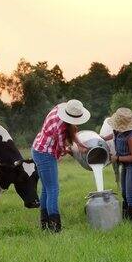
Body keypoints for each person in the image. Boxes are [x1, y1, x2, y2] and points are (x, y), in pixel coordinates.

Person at [32, 99, 90, 233]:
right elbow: (62, 148)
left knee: (46, 189)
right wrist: (74, 151)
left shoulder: (60, 108)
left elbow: (71, 130)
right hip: (44, 153)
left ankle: (44, 225)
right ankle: (55, 227)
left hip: (38, 148)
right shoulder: (59, 127)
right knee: (53, 189)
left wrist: (80, 144)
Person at [102, 108, 132, 223]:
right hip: (125, 164)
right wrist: (103, 138)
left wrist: (117, 158)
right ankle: (125, 218)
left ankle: (131, 223)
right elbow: (114, 135)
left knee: (131, 194)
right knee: (124, 192)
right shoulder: (118, 131)